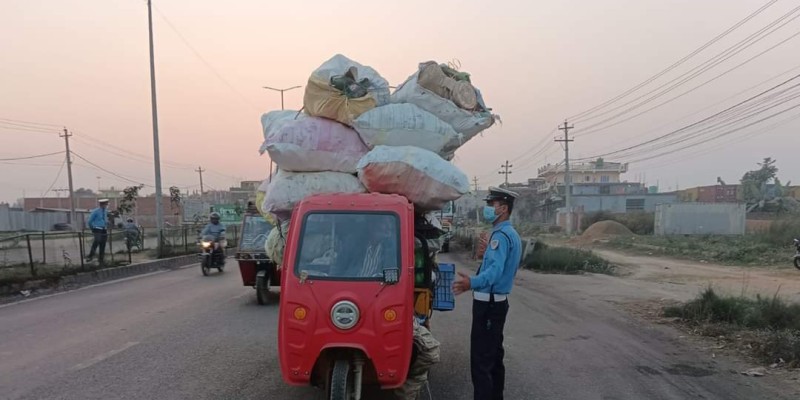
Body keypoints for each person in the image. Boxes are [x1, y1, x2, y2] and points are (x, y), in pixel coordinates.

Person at [452, 187, 522, 400]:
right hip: (497, 304)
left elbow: (494, 273)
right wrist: (484, 256)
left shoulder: (501, 236)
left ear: (503, 208)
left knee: (481, 363)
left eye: (492, 205)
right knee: (494, 359)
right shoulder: (509, 234)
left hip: (489, 306)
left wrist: (471, 282)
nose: (488, 209)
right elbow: (496, 266)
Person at [85, 199, 110, 263]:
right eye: (106, 204)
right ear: (102, 204)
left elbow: (105, 220)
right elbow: (90, 221)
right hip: (97, 228)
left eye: (107, 204)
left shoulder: (105, 211)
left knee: (103, 243)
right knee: (97, 241)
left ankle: (101, 259)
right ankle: (90, 256)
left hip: (104, 229)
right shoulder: (96, 211)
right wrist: (92, 228)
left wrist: (107, 224)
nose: (106, 206)